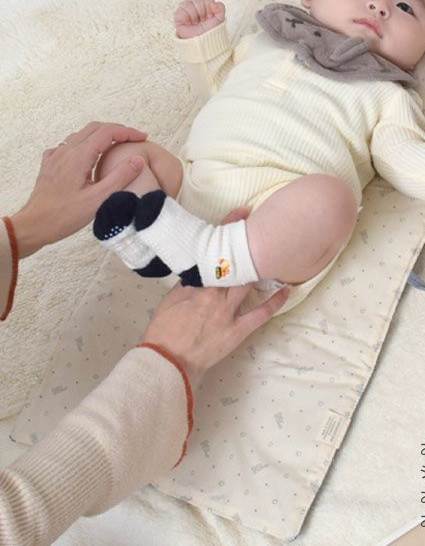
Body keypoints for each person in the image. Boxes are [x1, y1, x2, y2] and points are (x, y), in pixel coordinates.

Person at [91, 0, 425, 315]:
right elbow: (219, 87)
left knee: (331, 201)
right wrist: (205, 42)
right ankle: (148, 245)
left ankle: (207, 255)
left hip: (268, 239)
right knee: (123, 152)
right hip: (185, 198)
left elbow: (404, 157)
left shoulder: (387, 93)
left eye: (406, 8)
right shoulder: (267, 40)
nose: (379, 5)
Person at [0, 122, 289, 545]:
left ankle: (151, 249)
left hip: (188, 213)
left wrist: (22, 231)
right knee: (325, 203)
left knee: (125, 159)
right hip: (242, 246)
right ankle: (179, 249)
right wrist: (169, 359)